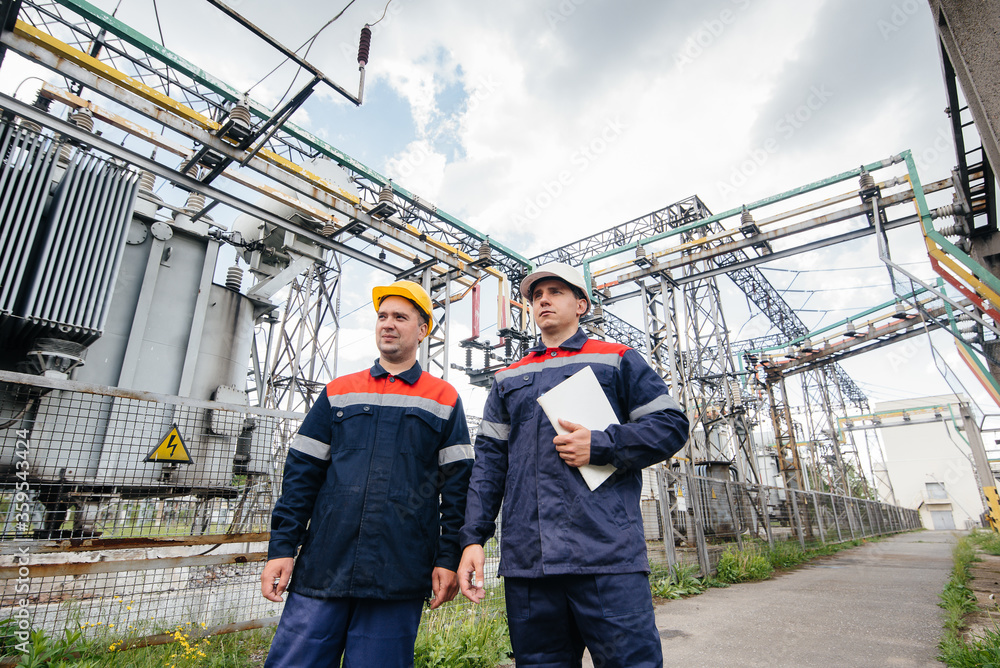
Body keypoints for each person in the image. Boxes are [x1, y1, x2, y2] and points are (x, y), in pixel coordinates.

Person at [457, 262, 690, 668]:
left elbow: (670, 425)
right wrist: (472, 539)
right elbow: (489, 466)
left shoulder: (616, 359)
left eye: (555, 292)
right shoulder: (509, 377)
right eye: (536, 295)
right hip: (530, 564)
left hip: (606, 556)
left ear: (581, 304)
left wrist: (602, 445)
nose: (543, 300)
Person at [261, 279, 473, 668]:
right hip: (324, 565)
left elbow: (458, 489)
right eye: (382, 316)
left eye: (400, 317)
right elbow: (301, 477)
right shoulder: (339, 391)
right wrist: (282, 548)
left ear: (423, 330)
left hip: (398, 571)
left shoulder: (443, 399)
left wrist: (447, 559)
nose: (388, 324)